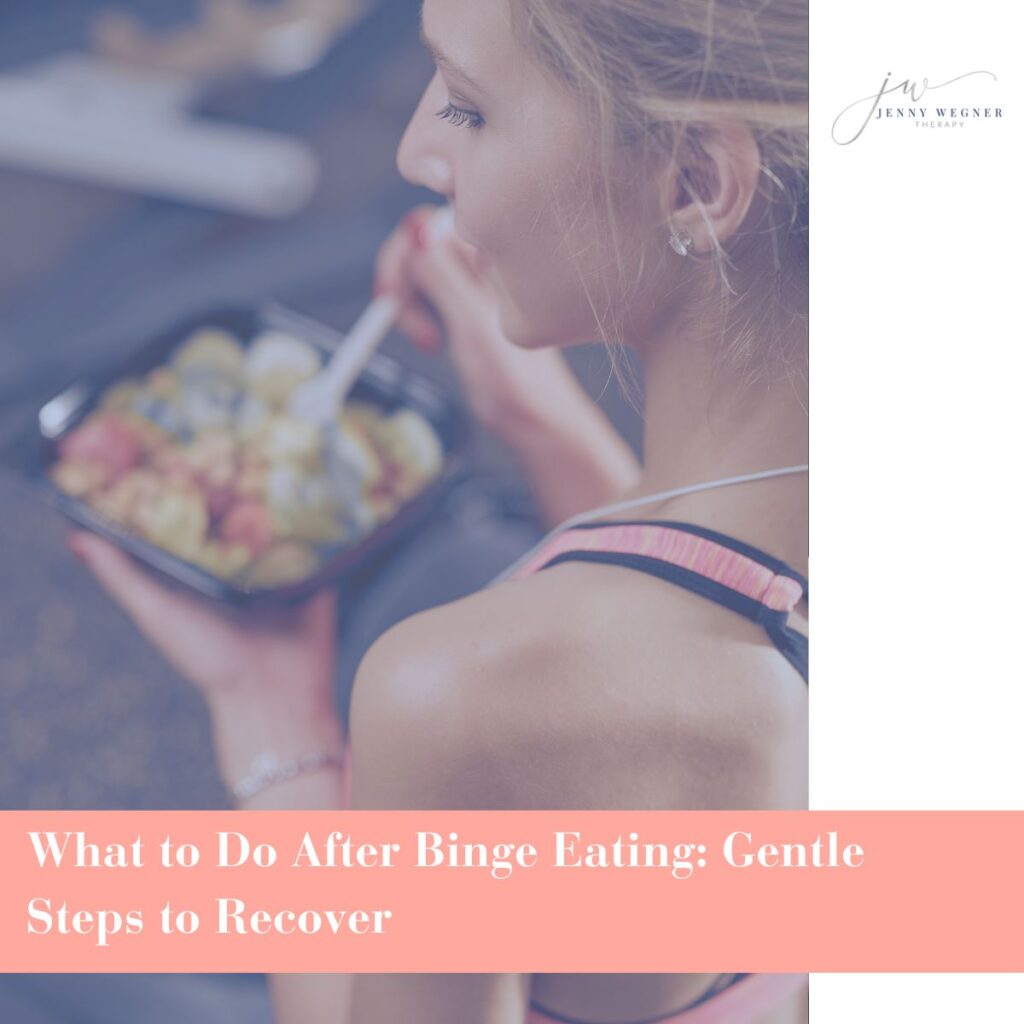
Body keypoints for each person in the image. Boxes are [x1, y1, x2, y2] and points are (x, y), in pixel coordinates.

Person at [69, 0, 810, 1020]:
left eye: (466, 108)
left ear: (694, 181)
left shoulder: (464, 697)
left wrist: (278, 738)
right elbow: (728, 615)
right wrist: (545, 428)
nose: (418, 150)